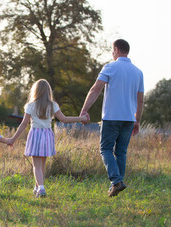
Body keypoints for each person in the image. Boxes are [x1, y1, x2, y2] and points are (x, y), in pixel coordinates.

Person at [80, 39, 144, 197]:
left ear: (116, 50)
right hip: (129, 119)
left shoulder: (110, 67)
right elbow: (140, 100)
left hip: (111, 117)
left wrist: (84, 110)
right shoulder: (138, 72)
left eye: (112, 50)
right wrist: (137, 120)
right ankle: (117, 184)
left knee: (106, 149)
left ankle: (116, 181)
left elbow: (96, 89)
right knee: (121, 152)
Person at [9, 79, 88, 198]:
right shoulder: (53, 105)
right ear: (48, 91)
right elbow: (64, 119)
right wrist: (80, 118)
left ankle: (41, 188)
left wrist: (13, 139)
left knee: (36, 166)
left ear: (35, 91)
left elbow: (24, 124)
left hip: (35, 135)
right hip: (47, 135)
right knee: (42, 165)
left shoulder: (30, 106)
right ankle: (37, 187)